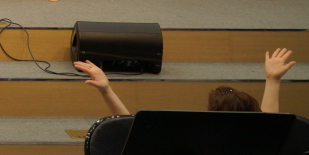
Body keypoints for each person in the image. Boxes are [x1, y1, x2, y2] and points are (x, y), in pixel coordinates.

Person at [75, 48, 297, 116]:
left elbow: (128, 129)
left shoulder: (200, 147)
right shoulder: (267, 144)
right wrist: (273, 80)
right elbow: (270, 121)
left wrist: (107, 90)